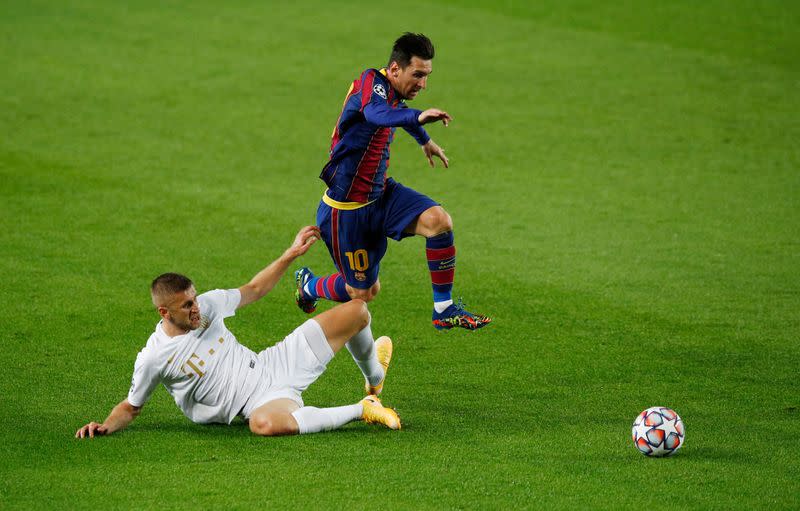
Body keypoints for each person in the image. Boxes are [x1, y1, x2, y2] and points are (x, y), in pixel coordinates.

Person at [75, 226, 400, 439]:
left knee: (357, 310)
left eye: (194, 298)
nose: (196, 308)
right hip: (260, 403)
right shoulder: (153, 358)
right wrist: (103, 426)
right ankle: (364, 408)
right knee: (264, 425)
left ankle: (374, 377)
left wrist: (290, 254)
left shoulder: (209, 305)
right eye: (186, 305)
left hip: (274, 364)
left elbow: (255, 288)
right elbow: (131, 407)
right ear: (165, 312)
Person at [294, 32, 491, 331]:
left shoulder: (393, 92)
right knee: (363, 293)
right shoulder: (370, 83)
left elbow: (392, 112)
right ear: (396, 69)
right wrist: (418, 118)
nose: (423, 84)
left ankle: (443, 308)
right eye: (418, 75)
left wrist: (424, 139)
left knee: (438, 221)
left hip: (382, 195)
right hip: (346, 211)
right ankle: (309, 286)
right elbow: (378, 114)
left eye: (427, 76)